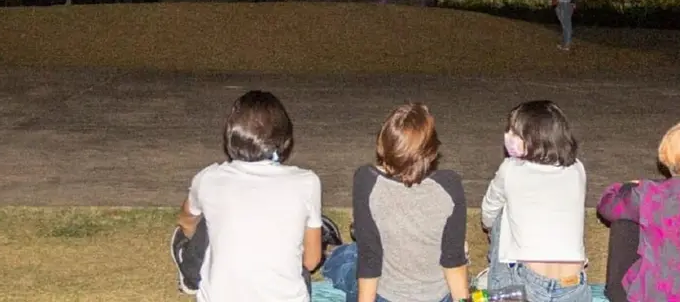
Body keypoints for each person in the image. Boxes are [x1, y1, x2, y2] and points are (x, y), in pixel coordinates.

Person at [170, 90, 324, 302]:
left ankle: (189, 269)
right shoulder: (307, 182)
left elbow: (186, 221)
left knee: (209, 219)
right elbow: (312, 260)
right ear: (284, 137)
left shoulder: (208, 178)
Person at [322, 103, 470, 302]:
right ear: (432, 151)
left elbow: (370, 258)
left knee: (344, 259)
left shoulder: (367, 180)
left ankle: (333, 252)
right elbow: (454, 260)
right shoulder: (449, 185)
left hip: (387, 295)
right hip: (437, 296)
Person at [596, 118, 680, 302]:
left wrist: (627, 186)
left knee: (624, 221)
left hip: (658, 296)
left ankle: (615, 295)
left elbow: (607, 206)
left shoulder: (652, 194)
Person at [481, 100, 590, 302]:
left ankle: (495, 290)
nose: (508, 137)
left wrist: (489, 227)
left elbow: (488, 212)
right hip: (574, 283)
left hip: (530, 283)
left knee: (501, 216)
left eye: (515, 133)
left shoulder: (510, 168)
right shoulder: (577, 169)